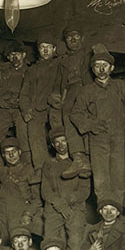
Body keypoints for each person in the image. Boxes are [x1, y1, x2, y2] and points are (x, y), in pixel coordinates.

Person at [70, 48, 125, 202]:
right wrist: (90, 125)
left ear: (112, 68)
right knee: (101, 181)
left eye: (105, 65)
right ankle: (105, 214)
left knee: (118, 178)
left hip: (118, 138)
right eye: (97, 66)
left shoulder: (120, 86)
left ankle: (117, 215)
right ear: (93, 70)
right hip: (98, 140)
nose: (101, 68)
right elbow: (76, 114)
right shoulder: (87, 91)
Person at [41, 128, 91, 250]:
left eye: (63, 141)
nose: (61, 145)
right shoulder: (49, 164)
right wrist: (59, 204)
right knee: (51, 243)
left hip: (75, 208)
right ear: (53, 145)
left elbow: (85, 190)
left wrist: (69, 200)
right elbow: (45, 190)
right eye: (57, 142)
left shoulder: (80, 163)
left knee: (75, 244)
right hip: (54, 207)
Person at [0, 41, 30, 174]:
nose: (14, 58)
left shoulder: (30, 71)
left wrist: (22, 102)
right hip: (3, 112)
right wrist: (0, 102)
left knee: (25, 140)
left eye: (17, 54)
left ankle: (26, 172)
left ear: (24, 55)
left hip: (20, 111)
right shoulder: (2, 72)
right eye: (11, 55)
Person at [19, 32, 60, 170]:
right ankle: (41, 169)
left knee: (61, 134)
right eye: (42, 47)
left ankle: (63, 164)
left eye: (49, 47)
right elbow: (24, 94)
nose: (46, 50)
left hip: (55, 107)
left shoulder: (60, 66)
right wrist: (26, 110)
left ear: (54, 49)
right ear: (38, 50)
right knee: (35, 136)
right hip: (37, 109)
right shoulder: (32, 70)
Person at [51, 26, 92, 160]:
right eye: (69, 37)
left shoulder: (89, 54)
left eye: (76, 36)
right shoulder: (64, 60)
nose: (73, 39)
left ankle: (89, 153)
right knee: (67, 117)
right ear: (65, 41)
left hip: (87, 88)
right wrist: (56, 93)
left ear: (82, 38)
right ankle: (78, 156)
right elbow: (58, 81)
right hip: (71, 91)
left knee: (87, 116)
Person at [0, 137, 42, 240]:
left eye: (14, 151)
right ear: (3, 155)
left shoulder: (28, 170)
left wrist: (28, 214)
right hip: (2, 211)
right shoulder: (2, 171)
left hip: (20, 212)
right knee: (1, 243)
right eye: (7, 153)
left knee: (18, 242)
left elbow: (38, 198)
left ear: (19, 152)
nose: (11, 156)